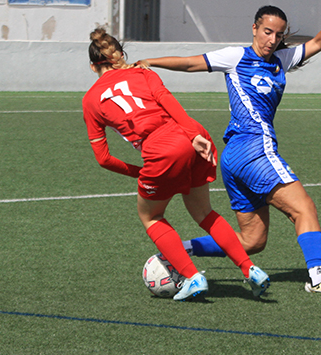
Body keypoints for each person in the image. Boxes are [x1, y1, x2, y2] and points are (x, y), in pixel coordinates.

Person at [138, 0, 321, 294]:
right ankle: (318, 279)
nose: (272, 40)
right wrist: (151, 62)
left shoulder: (281, 59)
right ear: (254, 28)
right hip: (254, 149)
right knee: (303, 209)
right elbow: (191, 63)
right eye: (267, 32)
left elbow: (317, 43)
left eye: (278, 35)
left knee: (253, 240)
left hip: (234, 158)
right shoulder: (236, 56)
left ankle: (178, 250)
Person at [83, 27, 270, 302]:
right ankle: (250, 269)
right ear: (120, 55)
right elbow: (167, 100)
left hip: (162, 150)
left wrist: (140, 172)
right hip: (193, 135)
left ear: (93, 66)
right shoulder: (143, 73)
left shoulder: (90, 100)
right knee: (204, 213)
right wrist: (193, 134)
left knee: (151, 217)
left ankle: (192, 277)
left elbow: (103, 159)